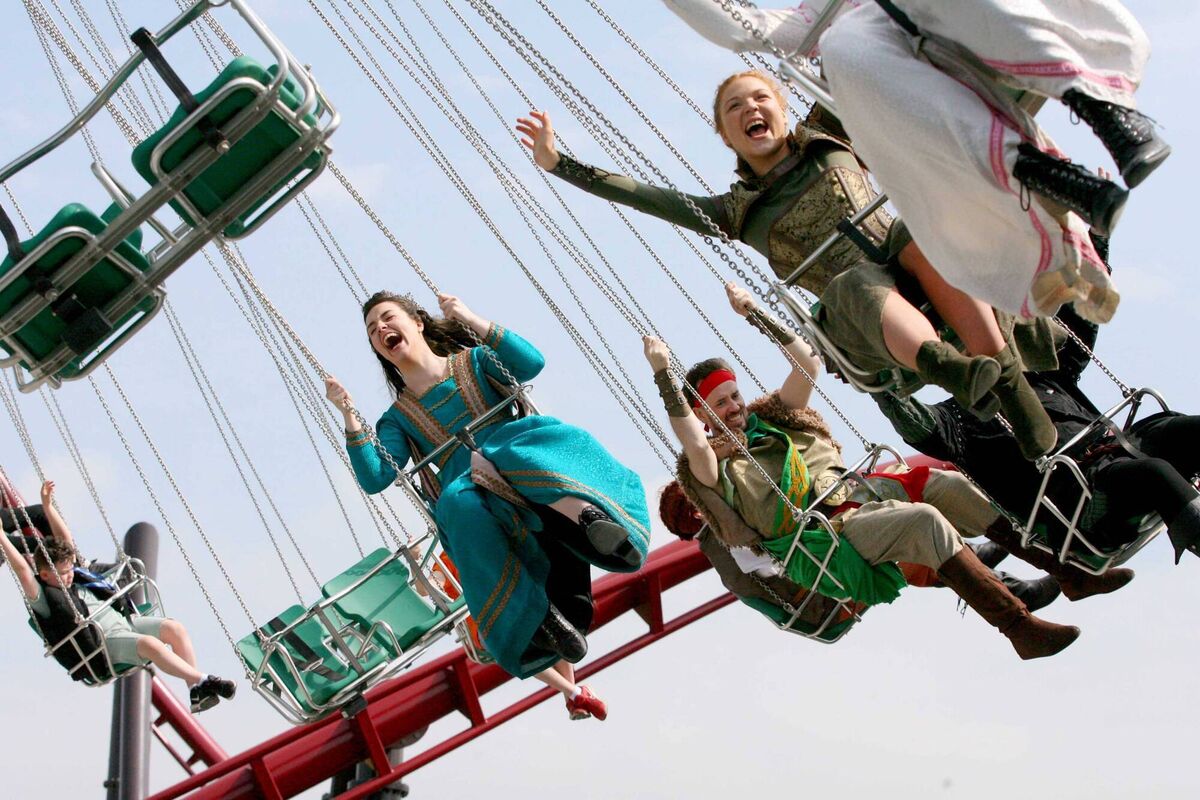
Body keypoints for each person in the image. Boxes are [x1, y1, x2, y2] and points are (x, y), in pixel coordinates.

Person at [517, 69, 1059, 459]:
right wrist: (559, 163)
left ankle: (1008, 384)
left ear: (781, 105)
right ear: (725, 135)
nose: (750, 109)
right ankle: (953, 370)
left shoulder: (828, 134)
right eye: (734, 107)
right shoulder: (734, 212)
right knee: (852, 283)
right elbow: (644, 197)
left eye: (760, 97)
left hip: (913, 261)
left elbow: (854, 64)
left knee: (919, 228)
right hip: (861, 319)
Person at [643, 282, 1079, 659]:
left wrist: (755, 313)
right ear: (702, 413)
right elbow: (692, 441)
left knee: (947, 486)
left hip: (860, 495)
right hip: (822, 541)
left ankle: (1065, 568)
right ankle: (1019, 627)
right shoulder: (713, 471)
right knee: (923, 523)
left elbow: (807, 364)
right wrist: (663, 373)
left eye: (735, 396)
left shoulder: (775, 419)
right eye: (720, 403)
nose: (734, 407)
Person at [657, 0, 1166, 321]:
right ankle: (1038, 171)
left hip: (980, 27)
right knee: (844, 47)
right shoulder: (825, 17)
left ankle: (1102, 110)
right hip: (926, 89)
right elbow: (745, 27)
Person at [325, 291, 651, 680]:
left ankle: (588, 517)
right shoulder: (398, 418)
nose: (380, 328)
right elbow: (376, 477)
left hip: (522, 456)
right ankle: (539, 619)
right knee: (456, 502)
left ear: (418, 322)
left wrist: (469, 318)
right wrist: (349, 416)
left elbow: (531, 364)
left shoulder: (476, 362)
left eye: (387, 317)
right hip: (471, 492)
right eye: (371, 330)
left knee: (509, 450)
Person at [875, 298, 1200, 569]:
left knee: (1188, 431)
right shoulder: (957, 420)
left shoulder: (1039, 368)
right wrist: (877, 381)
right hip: (1081, 502)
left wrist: (1086, 248)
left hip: (1120, 447)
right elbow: (914, 422)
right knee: (1155, 474)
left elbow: (1081, 308)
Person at [0, 481, 235, 712]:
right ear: (44, 574)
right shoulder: (42, 597)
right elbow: (21, 569)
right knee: (150, 644)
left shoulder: (76, 574)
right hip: (106, 645)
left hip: (126, 623)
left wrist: (48, 506)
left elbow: (65, 541)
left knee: (175, 629)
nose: (70, 575)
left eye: (70, 569)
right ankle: (204, 679)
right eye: (63, 573)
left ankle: (195, 690)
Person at [658, 480, 1061, 613]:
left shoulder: (722, 539)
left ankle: (975, 561)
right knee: (887, 530)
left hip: (817, 578)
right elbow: (783, 559)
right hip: (820, 590)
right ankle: (1001, 585)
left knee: (875, 505)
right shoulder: (726, 540)